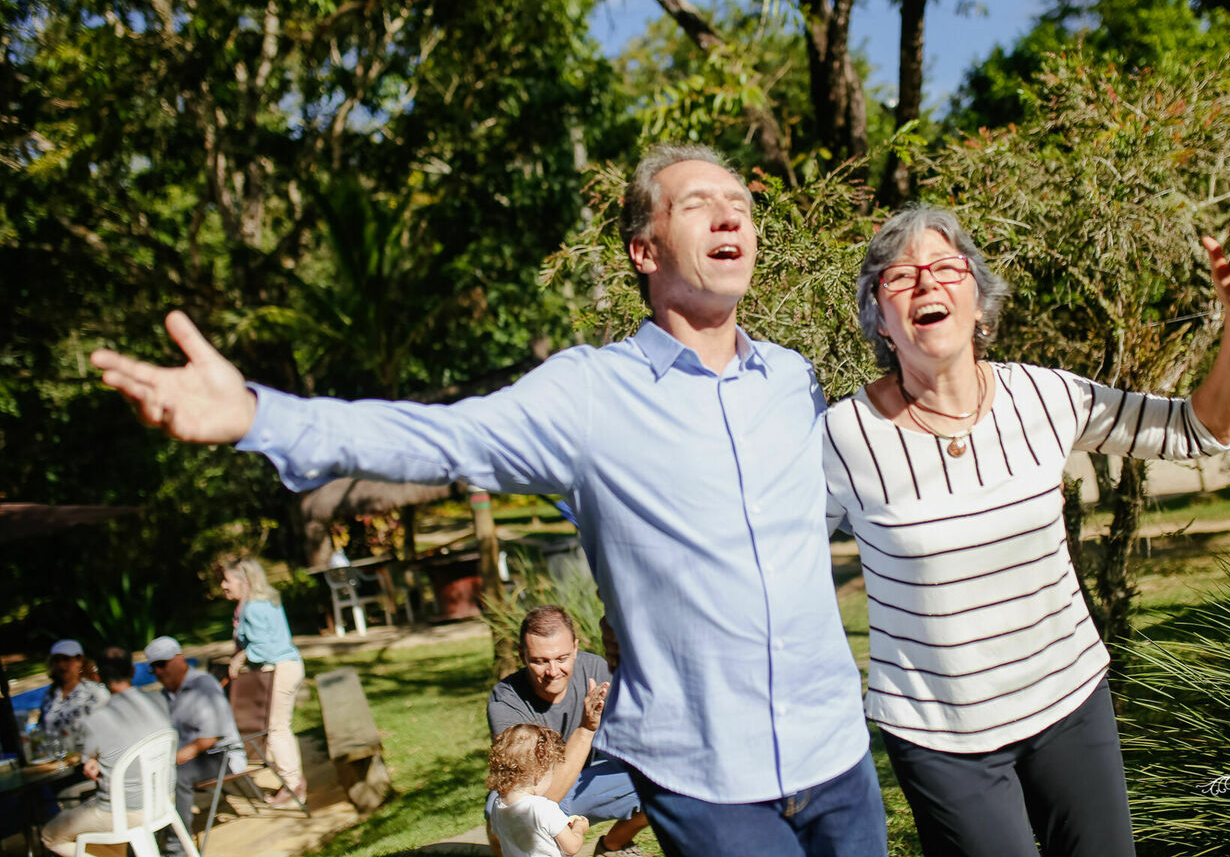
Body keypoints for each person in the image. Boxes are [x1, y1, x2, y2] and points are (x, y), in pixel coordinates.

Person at [91, 144, 886, 857]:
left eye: (741, 207)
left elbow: (818, 517)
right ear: (644, 250)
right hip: (708, 776)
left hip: (837, 753)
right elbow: (442, 439)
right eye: (699, 205)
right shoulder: (589, 393)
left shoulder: (792, 379)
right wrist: (261, 416)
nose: (731, 217)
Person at [822, 206, 1230, 857]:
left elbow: (1198, 430)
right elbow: (774, 560)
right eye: (900, 277)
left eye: (946, 267)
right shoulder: (841, 438)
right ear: (879, 318)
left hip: (1070, 703)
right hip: (940, 736)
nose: (926, 283)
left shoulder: (1045, 397)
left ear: (981, 306)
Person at [486, 607, 646, 857]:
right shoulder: (506, 700)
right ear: (522, 654)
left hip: (588, 782)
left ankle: (614, 846)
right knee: (497, 810)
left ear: (575, 647)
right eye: (540, 661)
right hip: (538, 791)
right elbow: (540, 796)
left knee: (662, 779)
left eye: (562, 658)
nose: (552, 671)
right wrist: (587, 728)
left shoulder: (596, 669)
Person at [40, 647, 175, 857]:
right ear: (132, 671)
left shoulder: (97, 719)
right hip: (165, 798)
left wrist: (93, 762)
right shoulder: (160, 700)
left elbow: (89, 767)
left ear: (98, 676)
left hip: (125, 812)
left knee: (50, 835)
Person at [143, 636, 246, 857]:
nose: (159, 672)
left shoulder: (203, 685)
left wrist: (173, 759)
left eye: (162, 664)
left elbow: (209, 737)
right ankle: (148, 840)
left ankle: (176, 848)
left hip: (222, 756)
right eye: (154, 668)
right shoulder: (165, 695)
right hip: (191, 758)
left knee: (178, 775)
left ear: (180, 659)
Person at [219, 556, 307, 804]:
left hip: (279, 669)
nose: (224, 586)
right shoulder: (263, 601)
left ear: (244, 581)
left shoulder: (254, 608)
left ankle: (293, 785)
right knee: (277, 727)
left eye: (227, 581)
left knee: (277, 729)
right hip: (289, 664)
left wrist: (241, 657)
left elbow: (265, 648)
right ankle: (293, 779)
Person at [487, 723, 590, 857]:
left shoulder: (498, 805)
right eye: (550, 772)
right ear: (538, 774)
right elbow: (572, 847)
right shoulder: (543, 808)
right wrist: (579, 828)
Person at [38, 640, 109, 754]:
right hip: (56, 758)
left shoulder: (95, 692)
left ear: (79, 661)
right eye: (57, 660)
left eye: (66, 659)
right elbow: (41, 729)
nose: (61, 665)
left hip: (90, 757)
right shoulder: (50, 695)